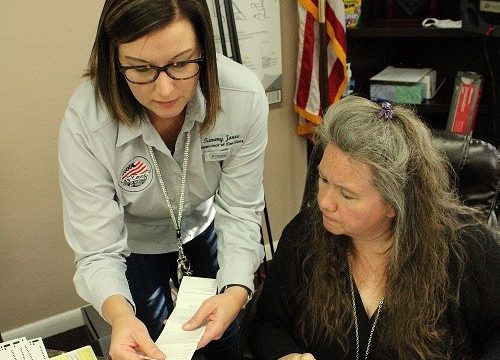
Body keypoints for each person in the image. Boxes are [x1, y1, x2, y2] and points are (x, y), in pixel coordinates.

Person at [58, 1, 268, 360]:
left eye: (181, 63)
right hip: (134, 240)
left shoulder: (242, 99)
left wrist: (235, 292)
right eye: (141, 69)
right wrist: (120, 316)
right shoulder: (87, 122)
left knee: (223, 333)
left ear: (204, 50)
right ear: (114, 59)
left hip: (205, 225)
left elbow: (240, 211)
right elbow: (96, 249)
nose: (166, 91)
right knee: (151, 339)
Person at [249, 96, 499, 360]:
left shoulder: (468, 249)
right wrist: (286, 355)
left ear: (395, 203)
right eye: (323, 179)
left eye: (347, 195)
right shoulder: (304, 236)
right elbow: (267, 325)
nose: (324, 202)